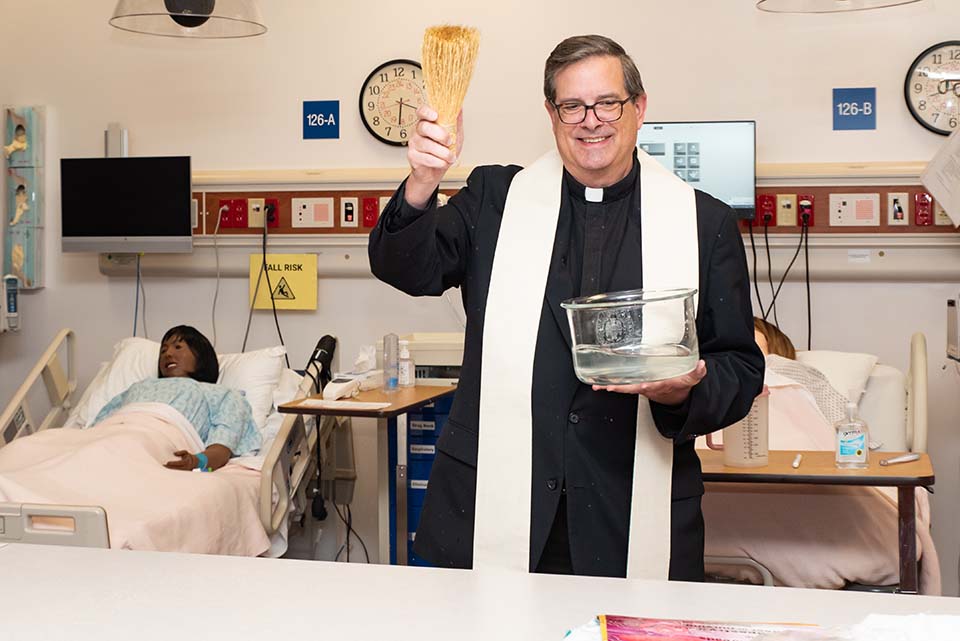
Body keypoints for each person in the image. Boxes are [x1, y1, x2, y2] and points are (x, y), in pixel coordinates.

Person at [368, 35, 763, 581]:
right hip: (489, 507)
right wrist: (423, 181)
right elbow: (404, 268)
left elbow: (740, 370)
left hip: (628, 516)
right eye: (571, 106)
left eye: (608, 103)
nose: (590, 121)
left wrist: (683, 389)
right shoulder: (495, 200)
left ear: (639, 107)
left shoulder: (703, 223)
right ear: (551, 114)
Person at [94, 325, 261, 471]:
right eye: (163, 350)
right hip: (108, 438)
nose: (168, 354)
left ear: (200, 356)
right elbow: (99, 427)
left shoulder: (220, 394)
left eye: (178, 347)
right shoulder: (138, 386)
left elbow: (223, 447)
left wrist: (197, 461)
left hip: (157, 443)